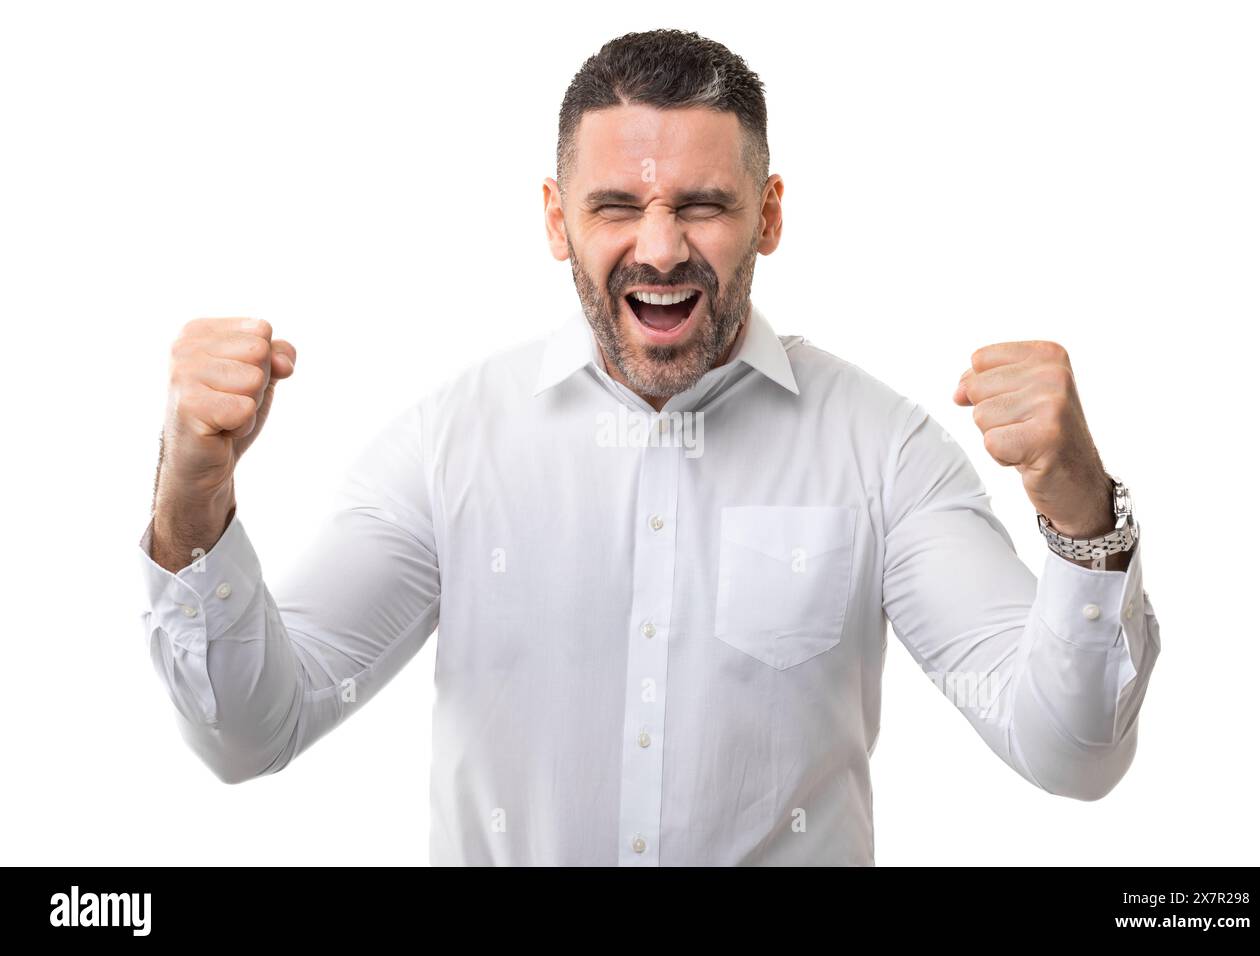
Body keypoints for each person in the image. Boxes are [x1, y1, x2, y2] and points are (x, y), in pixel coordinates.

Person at [138, 28, 1160, 866]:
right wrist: (192, 499)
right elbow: (250, 731)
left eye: (703, 205)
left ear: (767, 216)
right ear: (555, 219)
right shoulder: (449, 445)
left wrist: (1079, 516)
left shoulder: (882, 449)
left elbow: (1067, 753)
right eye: (617, 205)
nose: (661, 247)